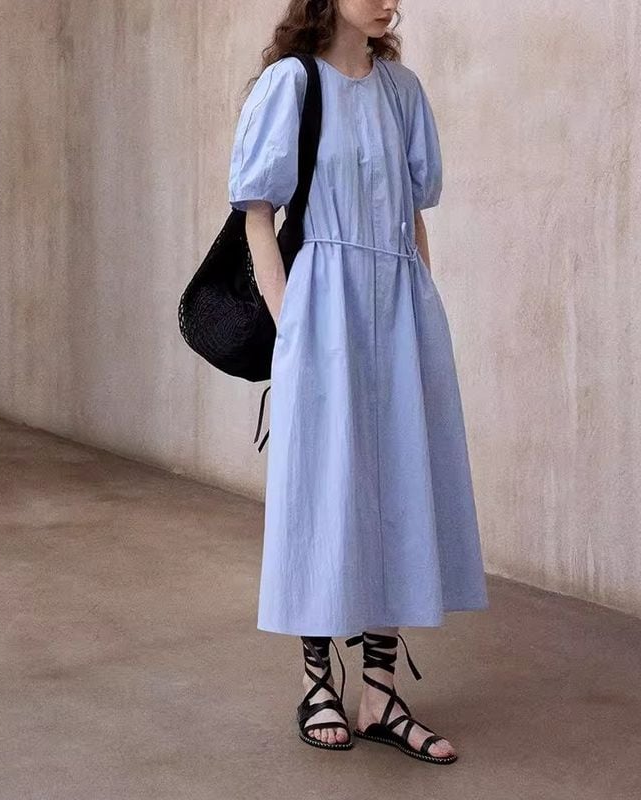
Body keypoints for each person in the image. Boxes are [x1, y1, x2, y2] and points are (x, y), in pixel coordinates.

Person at [227, 0, 489, 764]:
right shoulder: (293, 84)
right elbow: (257, 213)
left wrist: (424, 312)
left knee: (398, 487)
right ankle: (318, 682)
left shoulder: (402, 91)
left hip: (401, 311)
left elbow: (413, 214)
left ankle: (380, 692)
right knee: (324, 487)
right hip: (323, 310)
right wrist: (291, 327)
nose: (390, 1)